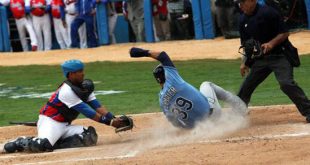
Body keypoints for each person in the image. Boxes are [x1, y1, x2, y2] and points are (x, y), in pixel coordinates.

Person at [3, 59, 133, 153]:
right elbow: (87, 111)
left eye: (82, 70)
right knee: (42, 145)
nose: (83, 73)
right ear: (70, 74)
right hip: (50, 122)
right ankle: (20, 142)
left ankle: (56, 142)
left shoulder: (85, 87)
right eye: (79, 71)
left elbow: (97, 106)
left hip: (65, 125)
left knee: (89, 137)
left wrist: (114, 118)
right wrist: (110, 123)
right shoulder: (66, 91)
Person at [129, 47, 247, 129]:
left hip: (203, 128)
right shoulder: (173, 80)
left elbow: (175, 124)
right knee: (206, 85)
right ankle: (240, 107)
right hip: (214, 115)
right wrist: (142, 52)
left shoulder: (162, 101)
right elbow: (163, 56)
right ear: (166, 74)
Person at [236, 0, 310, 122]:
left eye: (243, 2)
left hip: (280, 55)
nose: (241, 6)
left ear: (252, 1)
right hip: (261, 59)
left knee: (286, 83)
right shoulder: (242, 20)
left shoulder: (268, 12)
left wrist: (271, 44)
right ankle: (237, 115)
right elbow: (246, 44)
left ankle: (308, 111)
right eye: (239, 3)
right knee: (246, 86)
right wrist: (244, 62)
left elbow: (285, 33)